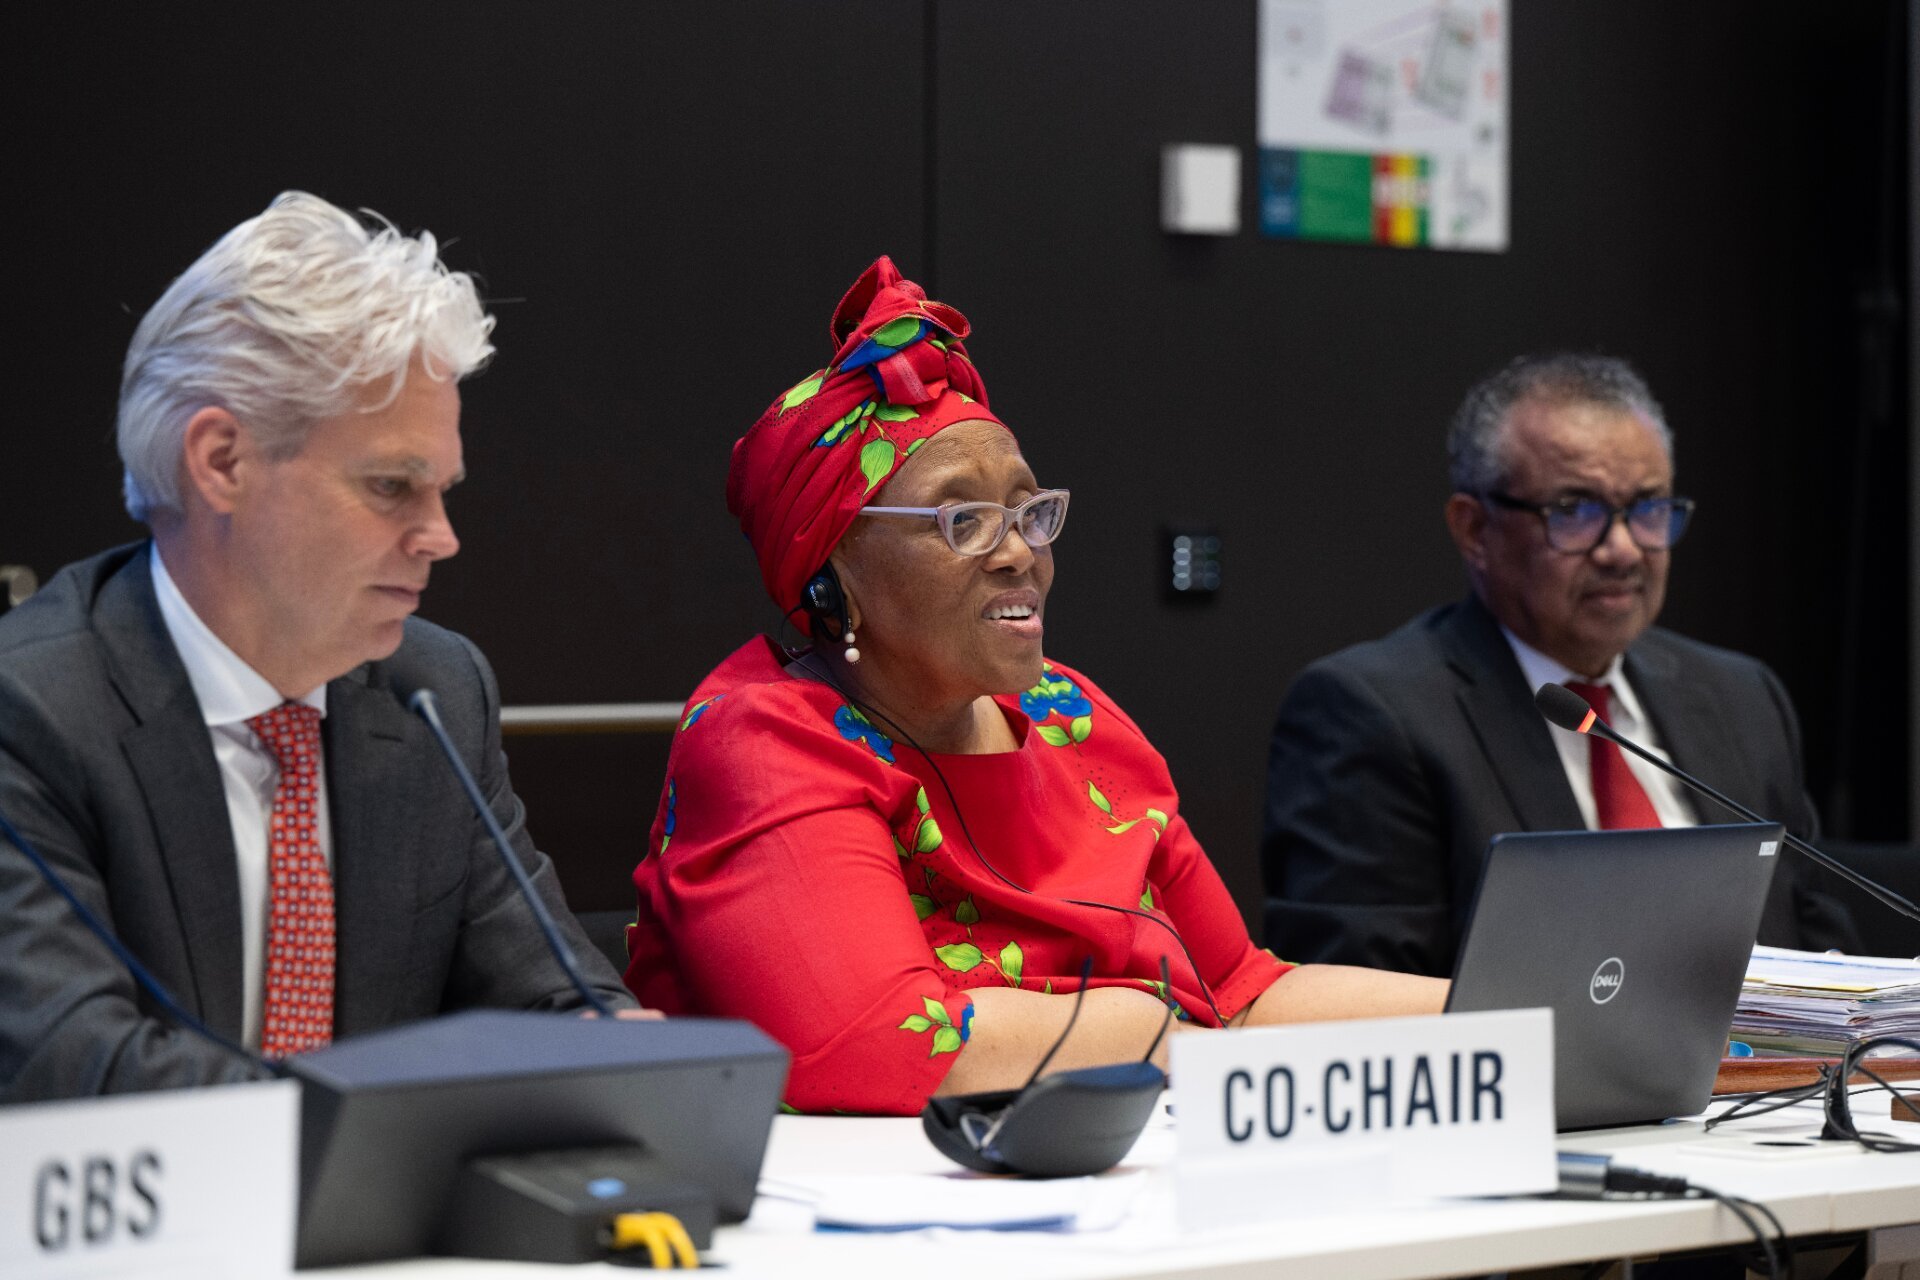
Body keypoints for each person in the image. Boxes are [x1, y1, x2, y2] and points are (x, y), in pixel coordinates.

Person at [625, 258, 1443, 1115]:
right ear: (833, 570)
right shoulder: (765, 737)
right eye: (962, 520)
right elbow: (884, 1041)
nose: (1019, 551)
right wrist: (1157, 1036)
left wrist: (1501, 1014)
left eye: (1029, 510)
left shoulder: (1071, 717)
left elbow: (1240, 992)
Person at [0, 192, 639, 1104]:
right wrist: (402, 1127)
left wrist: (614, 1059)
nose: (440, 535)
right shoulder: (31, 714)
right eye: (391, 485)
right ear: (220, 461)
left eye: (444, 489)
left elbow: (555, 998)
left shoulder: (435, 693)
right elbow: (85, 1073)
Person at [1261, 353, 1858, 978]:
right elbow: (1354, 997)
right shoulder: (1372, 716)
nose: (1624, 550)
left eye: (1648, 508)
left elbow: (1824, 951)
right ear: (1474, 530)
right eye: (1577, 511)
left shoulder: (1741, 697)